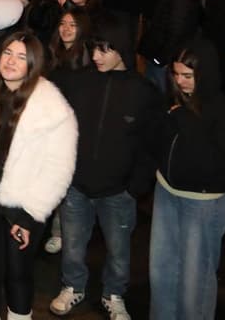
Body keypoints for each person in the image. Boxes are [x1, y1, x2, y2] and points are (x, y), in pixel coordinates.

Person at [0, 31, 78, 320]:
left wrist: (31, 215)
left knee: (18, 275)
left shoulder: (50, 104)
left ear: (33, 63)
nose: (11, 61)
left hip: (23, 202)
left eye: (21, 56)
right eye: (8, 52)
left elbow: (59, 166)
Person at [51, 22, 160, 320]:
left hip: (118, 190)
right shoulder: (79, 82)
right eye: (94, 49)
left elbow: (151, 144)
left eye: (104, 49)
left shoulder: (143, 91)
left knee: (119, 251)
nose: (96, 56)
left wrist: (135, 185)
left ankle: (114, 294)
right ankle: (73, 286)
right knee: (72, 246)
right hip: (76, 184)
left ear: (121, 50)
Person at [149, 42, 225, 320]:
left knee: (195, 283)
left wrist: (182, 118)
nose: (180, 81)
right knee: (161, 272)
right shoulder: (174, 101)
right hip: (166, 192)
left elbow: (223, 165)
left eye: (187, 76)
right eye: (175, 74)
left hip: (202, 204)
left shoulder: (223, 111)